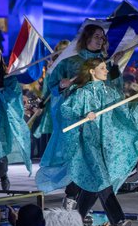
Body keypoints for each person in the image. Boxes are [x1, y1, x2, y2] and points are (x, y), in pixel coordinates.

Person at [36, 24, 119, 208]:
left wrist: (116, 69)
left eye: (102, 37)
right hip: (79, 117)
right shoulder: (70, 61)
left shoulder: (105, 62)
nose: (101, 40)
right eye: (97, 36)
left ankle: (78, 207)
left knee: (93, 163)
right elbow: (53, 85)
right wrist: (62, 85)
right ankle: (75, 201)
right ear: (87, 38)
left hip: (100, 120)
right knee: (83, 160)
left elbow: (113, 86)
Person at [60, 57, 138, 225]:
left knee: (94, 183)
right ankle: (118, 219)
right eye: (102, 68)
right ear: (92, 71)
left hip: (107, 145)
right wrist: (83, 116)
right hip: (89, 144)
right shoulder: (82, 93)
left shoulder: (111, 92)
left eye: (106, 68)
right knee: (102, 180)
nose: (106, 71)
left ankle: (75, 220)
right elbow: (66, 110)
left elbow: (126, 115)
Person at [0, 45, 32, 190]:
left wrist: (3, 88)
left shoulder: (8, 78)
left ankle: (3, 176)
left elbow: (14, 97)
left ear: (0, 58)